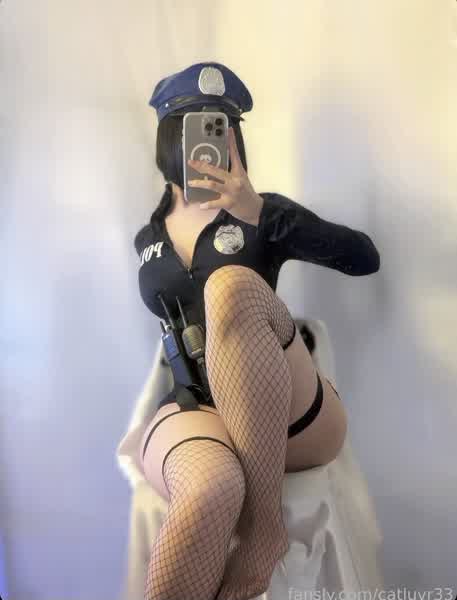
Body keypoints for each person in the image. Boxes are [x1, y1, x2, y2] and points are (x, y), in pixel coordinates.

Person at [134, 62, 381, 600]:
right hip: (198, 403)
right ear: (169, 138)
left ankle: (263, 526)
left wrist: (260, 213)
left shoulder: (262, 213)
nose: (206, 143)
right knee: (209, 488)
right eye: (194, 127)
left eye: (220, 128)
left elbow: (364, 258)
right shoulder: (148, 237)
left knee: (228, 286)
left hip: (285, 406)